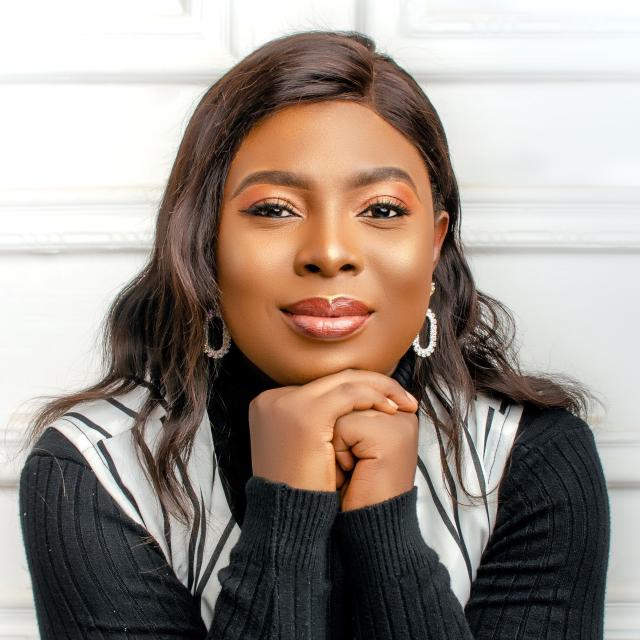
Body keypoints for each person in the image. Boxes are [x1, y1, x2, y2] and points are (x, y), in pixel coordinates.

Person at [18, 29, 610, 639]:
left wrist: (385, 530)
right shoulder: (95, 470)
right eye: (275, 209)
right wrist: (287, 508)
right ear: (204, 242)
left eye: (381, 210)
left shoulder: (529, 459)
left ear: (434, 245)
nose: (329, 253)